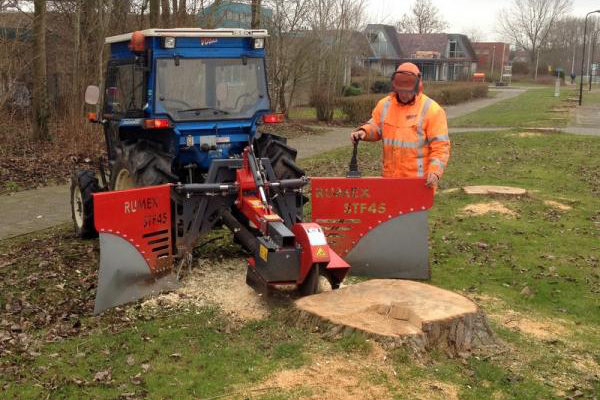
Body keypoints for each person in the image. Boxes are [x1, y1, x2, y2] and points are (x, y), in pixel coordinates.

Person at [350, 63, 450, 188]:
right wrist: (364, 131)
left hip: (419, 183)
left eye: (407, 91)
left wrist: (435, 172)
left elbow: (441, 147)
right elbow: (376, 126)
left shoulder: (432, 110)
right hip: (390, 180)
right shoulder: (385, 105)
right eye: (400, 91)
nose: (403, 95)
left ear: (417, 88)